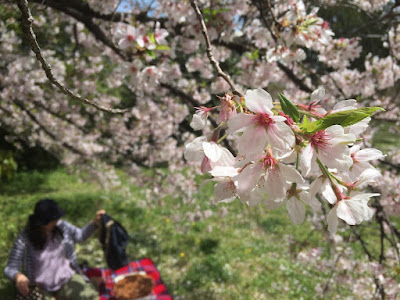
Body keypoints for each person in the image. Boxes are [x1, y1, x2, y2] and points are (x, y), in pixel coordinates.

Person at [4, 198, 105, 299]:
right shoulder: (25, 238)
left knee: (90, 297)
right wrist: (18, 276)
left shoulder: (62, 227)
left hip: (67, 279)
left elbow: (80, 235)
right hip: (41, 287)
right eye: (53, 220)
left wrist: (94, 223)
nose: (56, 221)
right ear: (42, 222)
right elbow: (10, 268)